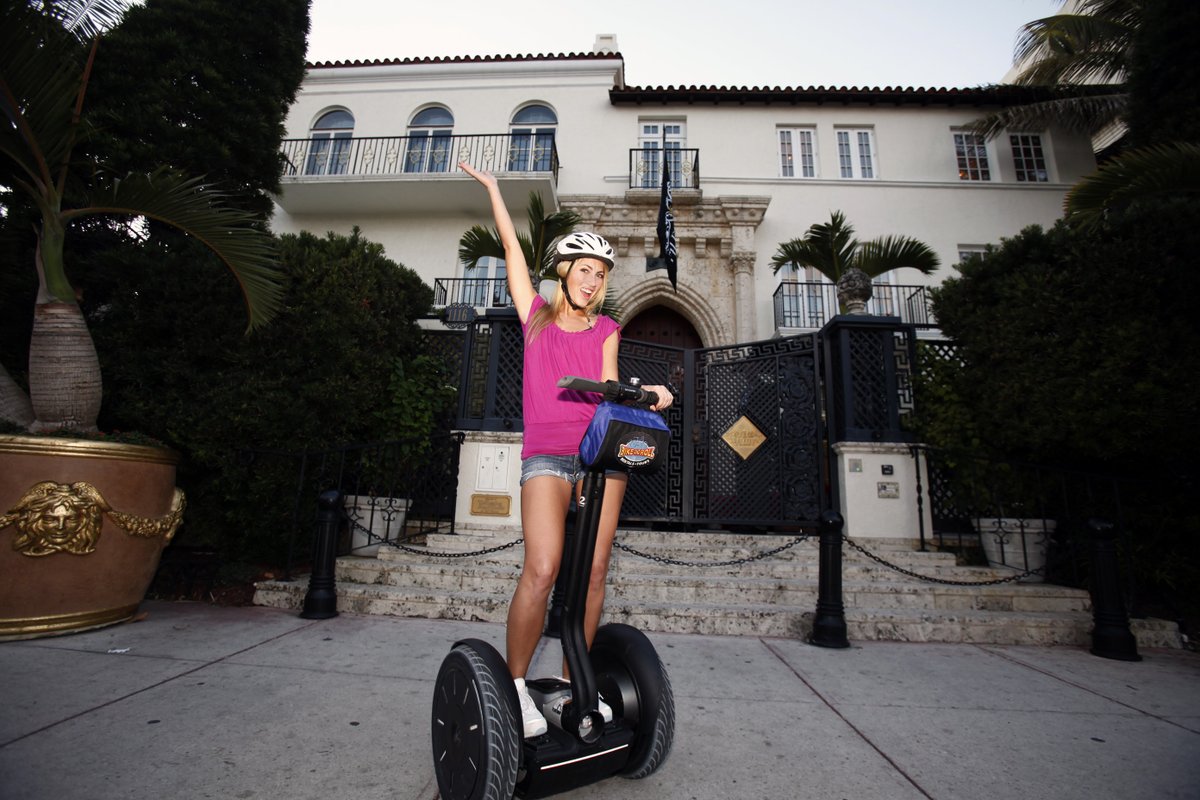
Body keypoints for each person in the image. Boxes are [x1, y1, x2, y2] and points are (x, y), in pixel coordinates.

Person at [460, 160, 674, 737]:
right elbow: (511, 247)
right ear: (564, 272)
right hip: (547, 459)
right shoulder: (535, 318)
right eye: (584, 270)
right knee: (543, 568)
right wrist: (495, 191)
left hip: (598, 459)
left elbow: (610, 390)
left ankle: (568, 683)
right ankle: (516, 686)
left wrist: (650, 396)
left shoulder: (607, 330)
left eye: (600, 274)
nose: (592, 281)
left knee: (596, 570)